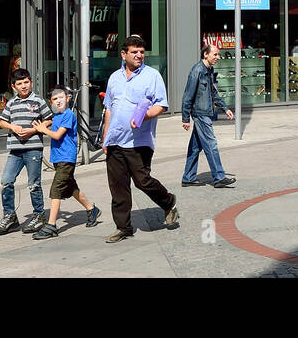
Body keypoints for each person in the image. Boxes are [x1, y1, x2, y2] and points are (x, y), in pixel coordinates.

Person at [102, 35, 179, 242]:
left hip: (139, 141)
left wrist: (144, 115)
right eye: (134, 52)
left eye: (142, 52)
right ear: (124, 54)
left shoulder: (152, 76)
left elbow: (161, 105)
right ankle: (123, 227)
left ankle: (168, 201)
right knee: (118, 186)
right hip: (115, 140)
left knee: (143, 181)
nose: (139, 55)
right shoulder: (114, 78)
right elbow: (109, 108)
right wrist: (105, 136)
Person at [31, 86, 101, 239]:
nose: (58, 101)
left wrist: (43, 129)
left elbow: (57, 135)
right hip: (57, 159)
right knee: (71, 188)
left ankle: (51, 225)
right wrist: (42, 125)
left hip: (67, 159)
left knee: (56, 190)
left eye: (61, 98)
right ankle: (91, 209)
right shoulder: (56, 116)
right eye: (55, 99)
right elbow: (47, 124)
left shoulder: (68, 115)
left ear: (68, 99)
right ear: (51, 102)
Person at [0, 68, 54, 236]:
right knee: (6, 180)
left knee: (33, 184)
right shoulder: (11, 103)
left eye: (26, 82)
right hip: (15, 150)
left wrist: (33, 131)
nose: (24, 86)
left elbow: (48, 119)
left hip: (33, 148)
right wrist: (12, 126)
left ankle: (39, 215)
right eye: (19, 84)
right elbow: (2, 122)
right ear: (14, 86)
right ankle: (10, 216)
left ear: (31, 83)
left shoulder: (38, 101)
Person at [181, 42, 237, 188]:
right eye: (215, 54)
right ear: (206, 54)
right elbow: (187, 96)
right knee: (211, 144)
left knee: (195, 147)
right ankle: (219, 177)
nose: (218, 57)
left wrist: (225, 108)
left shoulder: (208, 70)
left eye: (218, 54)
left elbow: (213, 94)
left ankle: (188, 177)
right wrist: (185, 118)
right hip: (200, 114)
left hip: (204, 112)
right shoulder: (197, 71)